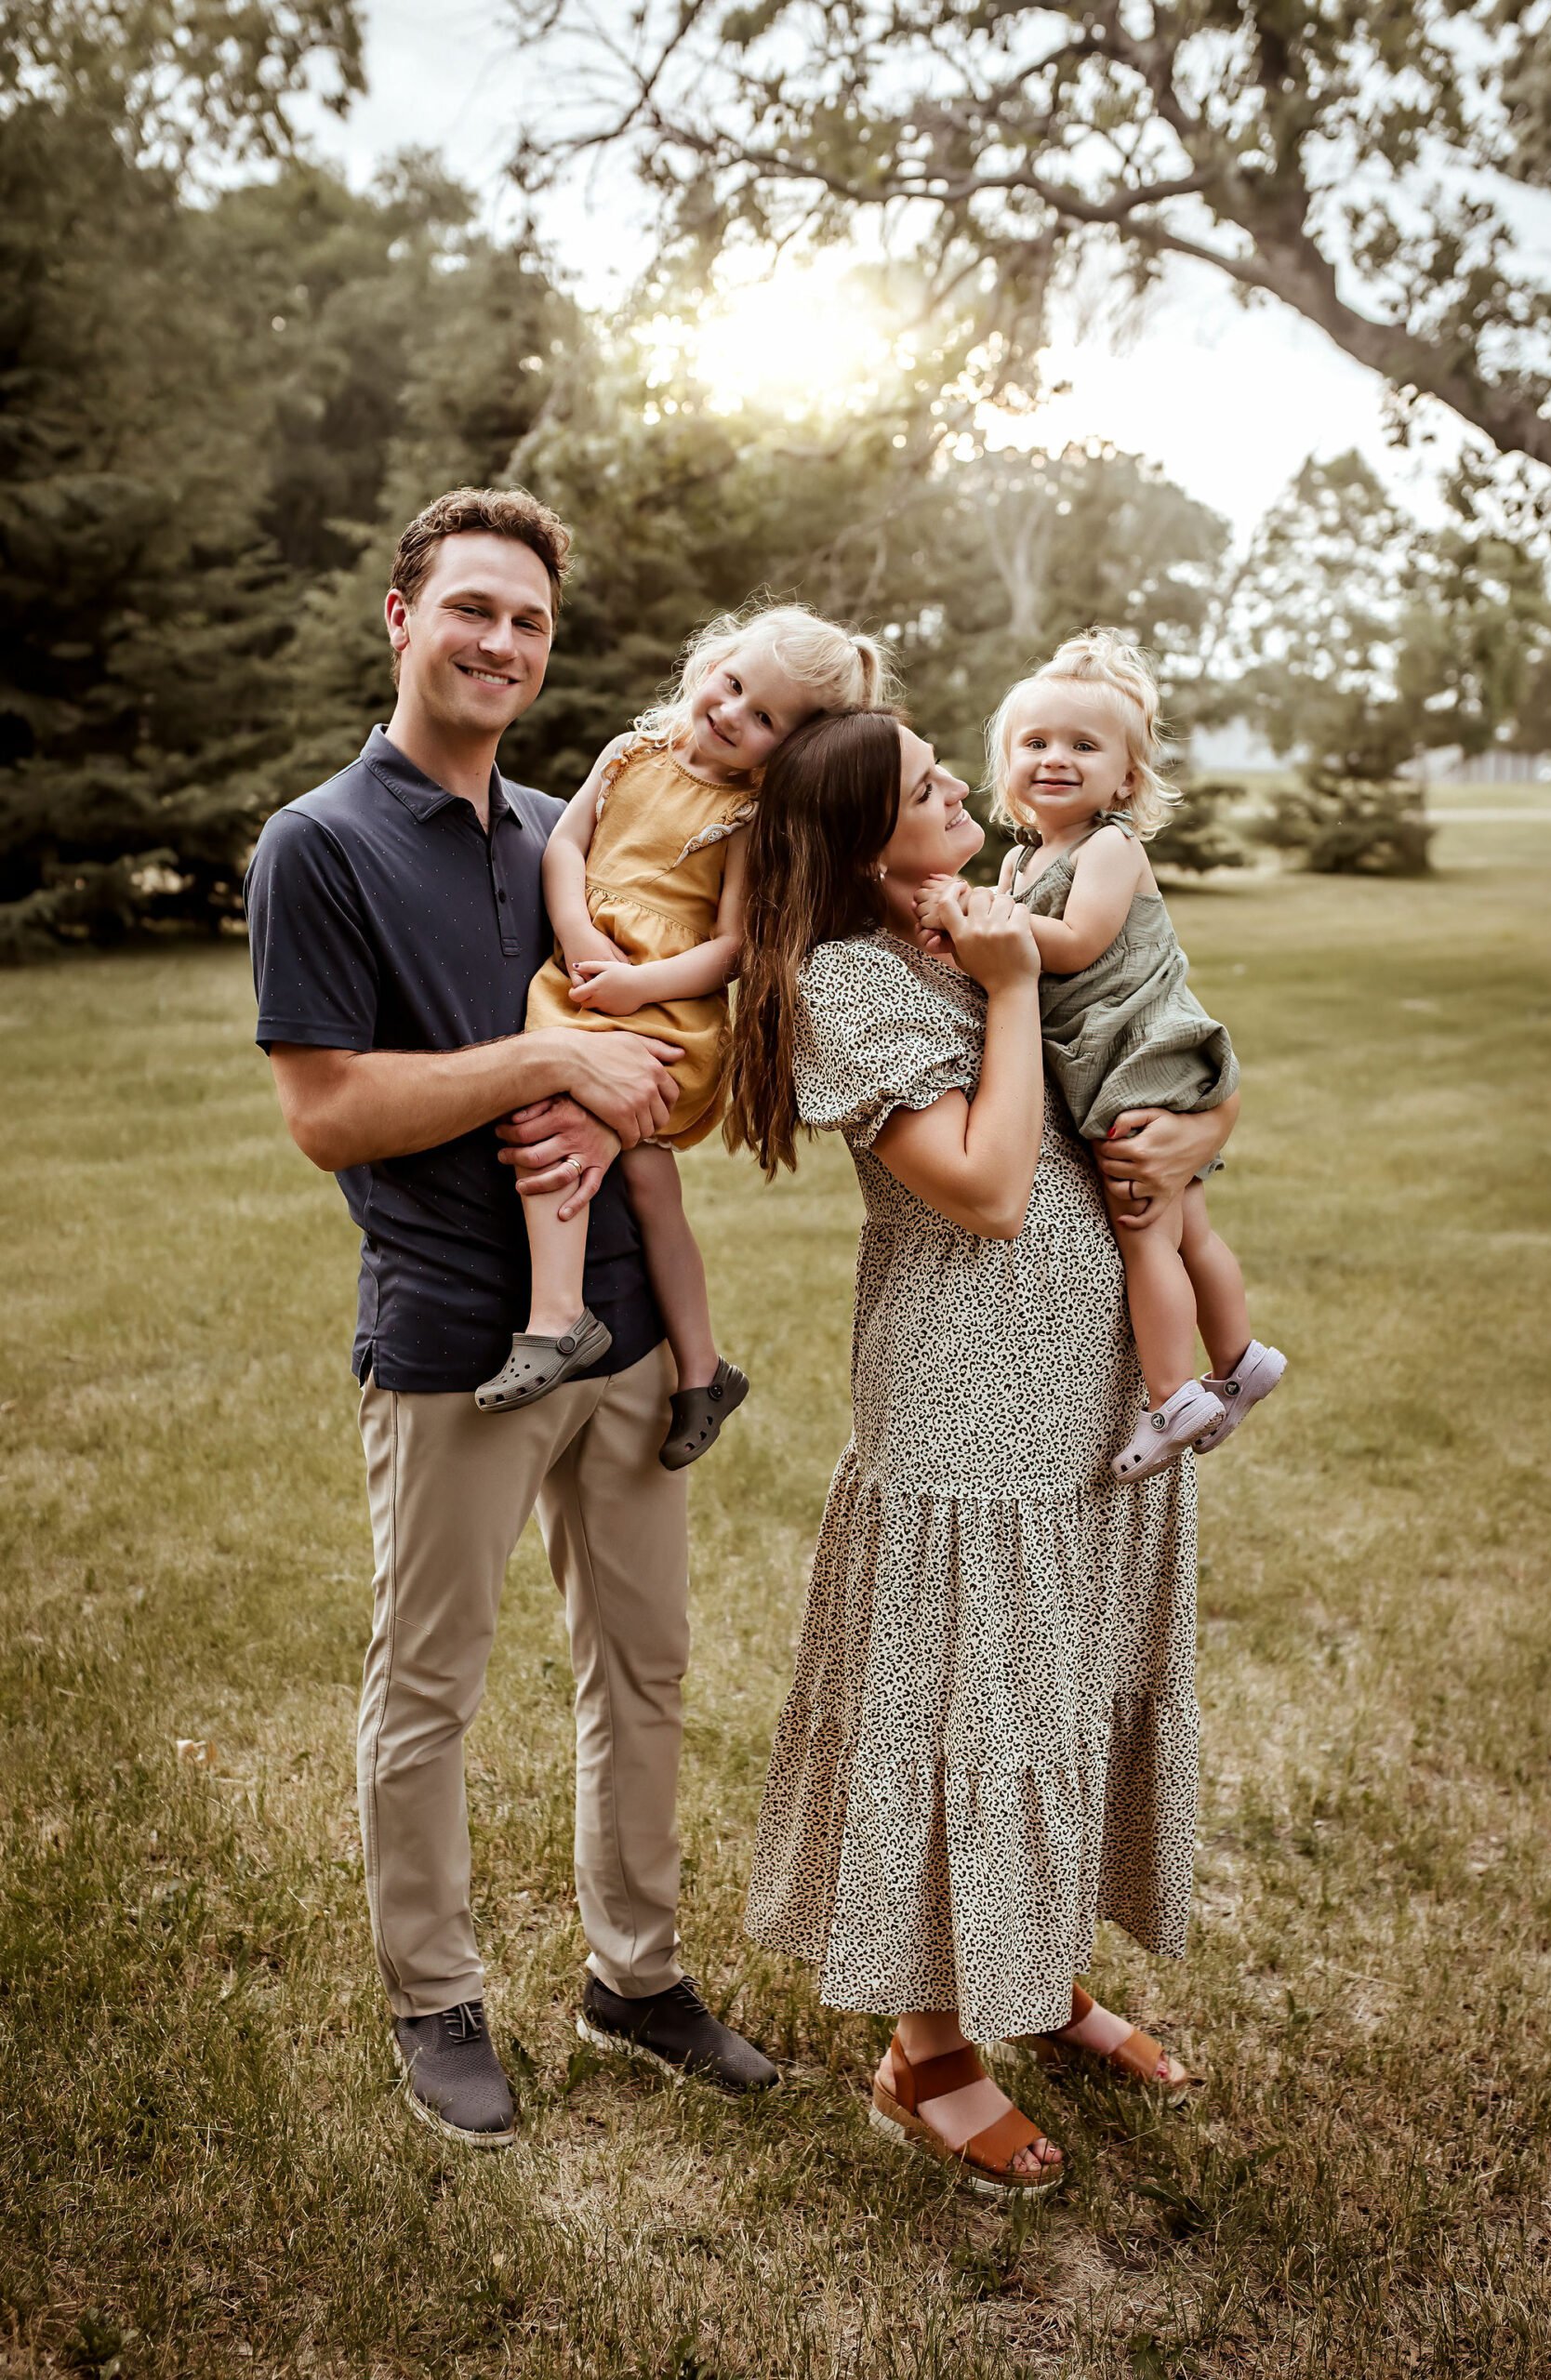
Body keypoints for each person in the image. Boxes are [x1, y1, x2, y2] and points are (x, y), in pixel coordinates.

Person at [244, 486, 777, 2152]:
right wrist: (550, 1061)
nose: (499, 642)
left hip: (616, 1331)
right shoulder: (317, 844)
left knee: (645, 1670)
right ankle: (435, 1998)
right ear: (399, 616)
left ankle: (635, 1977)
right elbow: (328, 1109)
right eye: (471, 607)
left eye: (529, 621)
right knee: (432, 1683)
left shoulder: (575, 820)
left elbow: (670, 1039)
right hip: (453, 1335)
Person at [726, 708, 1237, 2194]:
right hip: (967, 1404)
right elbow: (989, 1188)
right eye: (926, 788)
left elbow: (1163, 1063)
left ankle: (1039, 1974)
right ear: (861, 842)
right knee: (974, 1697)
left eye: (950, 772)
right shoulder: (852, 981)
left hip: (1091, 1386)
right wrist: (1009, 991)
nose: (962, 790)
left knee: (1063, 1678)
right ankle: (928, 2051)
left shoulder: (1016, 914)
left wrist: (1198, 1140)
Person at [475, 604, 894, 1473]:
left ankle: (557, 1319)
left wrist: (636, 982)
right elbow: (565, 847)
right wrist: (580, 934)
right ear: (710, 663)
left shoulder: (745, 818)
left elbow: (732, 948)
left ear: (789, 750)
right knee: (644, 1180)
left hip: (663, 1007)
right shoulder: (628, 754)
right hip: (590, 975)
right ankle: (701, 1370)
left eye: (764, 718)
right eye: (732, 685)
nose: (733, 712)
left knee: (553, 1120)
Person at [919, 628, 1286, 1483]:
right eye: (1033, 743)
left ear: (1125, 777)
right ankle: (1239, 1360)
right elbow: (1006, 965)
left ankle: (1173, 1397)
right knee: (1187, 1221)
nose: (1055, 758)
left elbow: (1076, 943)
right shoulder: (1019, 859)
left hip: (1139, 1056)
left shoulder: (1111, 846)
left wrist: (976, 915)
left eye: (1083, 746)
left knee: (1145, 1230)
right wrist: (970, 933)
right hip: (1107, 1056)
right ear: (1004, 762)